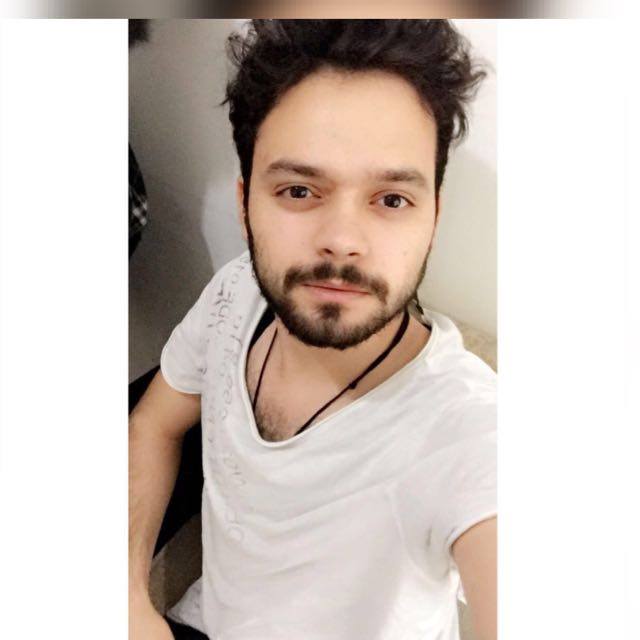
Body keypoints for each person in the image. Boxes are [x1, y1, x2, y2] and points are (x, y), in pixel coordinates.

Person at [129, 19, 496, 640]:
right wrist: (127, 599)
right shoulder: (236, 293)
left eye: (391, 200)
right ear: (245, 205)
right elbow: (154, 425)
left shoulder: (468, 433)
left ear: (433, 219)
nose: (342, 241)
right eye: (300, 190)